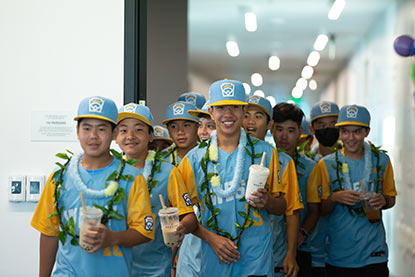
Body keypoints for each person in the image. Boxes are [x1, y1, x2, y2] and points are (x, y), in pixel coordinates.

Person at [178, 79, 292, 276]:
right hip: (213, 257)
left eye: (235, 107)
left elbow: (282, 207)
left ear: (243, 112)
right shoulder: (194, 159)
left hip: (255, 259)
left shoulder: (265, 153)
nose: (228, 114)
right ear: (211, 112)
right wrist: (211, 238)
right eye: (221, 107)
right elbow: (183, 212)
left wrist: (268, 201)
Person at [31, 96, 154, 276]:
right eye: (86, 128)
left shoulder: (132, 178)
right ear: (77, 131)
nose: (93, 136)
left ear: (114, 134)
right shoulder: (59, 178)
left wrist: (113, 237)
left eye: (102, 129)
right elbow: (49, 233)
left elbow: (145, 231)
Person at [115, 103, 198, 276]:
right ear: (115, 136)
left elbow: (189, 217)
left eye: (138, 130)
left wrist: (181, 227)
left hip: (155, 269)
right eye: (123, 130)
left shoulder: (168, 173)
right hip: (115, 265)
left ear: (151, 135)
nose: (130, 136)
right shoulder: (109, 173)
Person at [318, 104, 396, 276]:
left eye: (357, 132)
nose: (350, 137)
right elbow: (321, 210)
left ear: (367, 132)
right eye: (345, 131)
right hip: (339, 254)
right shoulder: (327, 164)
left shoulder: (381, 161)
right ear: (339, 133)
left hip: (374, 253)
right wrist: (335, 198)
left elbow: (391, 198)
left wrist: (383, 201)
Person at [243, 96, 304, 276]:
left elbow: (291, 212)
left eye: (258, 116)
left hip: (273, 251)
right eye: (246, 115)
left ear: (269, 124)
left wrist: (291, 255)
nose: (251, 121)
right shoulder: (230, 155)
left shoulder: (283, 161)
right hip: (236, 253)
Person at [272, 103, 321, 277]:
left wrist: (302, 233)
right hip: (270, 245)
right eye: (279, 129)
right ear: (271, 129)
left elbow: (315, 210)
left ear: (300, 132)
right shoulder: (265, 162)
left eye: (291, 130)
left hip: (301, 247)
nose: (284, 136)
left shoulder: (311, 168)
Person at [308, 101, 340, 276]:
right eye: (321, 125)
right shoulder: (306, 164)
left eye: (333, 124)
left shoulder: (353, 160)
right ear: (312, 130)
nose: (328, 129)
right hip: (312, 250)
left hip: (346, 251)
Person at [162, 101, 199, 166]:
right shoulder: (162, 160)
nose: (180, 132)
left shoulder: (208, 156)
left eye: (186, 125)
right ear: (168, 130)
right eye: (174, 126)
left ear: (198, 127)